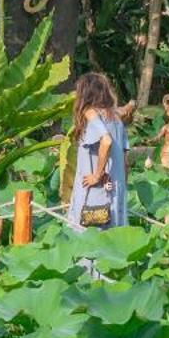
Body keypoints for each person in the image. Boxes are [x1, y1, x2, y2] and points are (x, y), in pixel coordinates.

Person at [67, 72, 129, 231]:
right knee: (112, 240)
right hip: (116, 188)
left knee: (87, 239)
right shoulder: (116, 118)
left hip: (94, 190)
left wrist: (97, 175)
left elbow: (106, 140)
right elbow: (124, 158)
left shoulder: (90, 113)